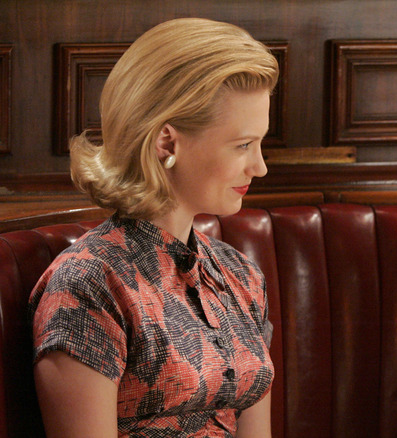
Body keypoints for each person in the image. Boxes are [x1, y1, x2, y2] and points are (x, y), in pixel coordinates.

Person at [29, 18, 278, 437]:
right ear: (166, 142)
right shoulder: (88, 284)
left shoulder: (241, 276)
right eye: (242, 145)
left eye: (259, 143)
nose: (260, 166)